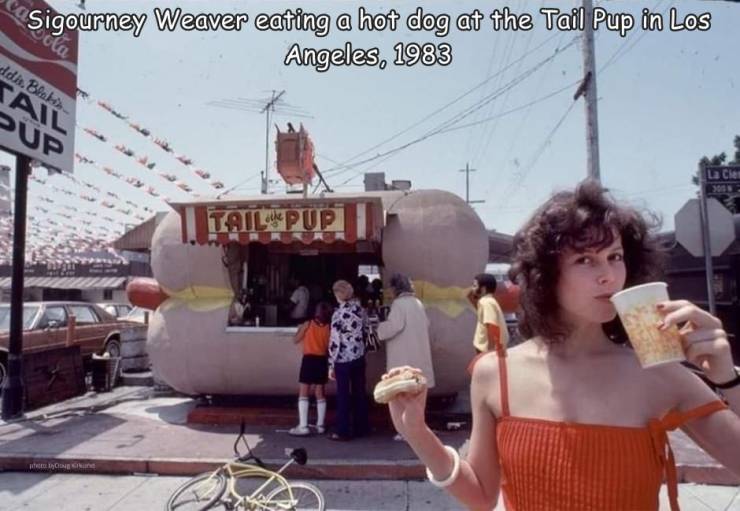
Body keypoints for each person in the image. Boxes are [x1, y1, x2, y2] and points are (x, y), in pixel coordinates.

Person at [383, 180, 740, 511]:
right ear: (546, 274)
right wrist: (416, 432)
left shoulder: (660, 374)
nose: (608, 275)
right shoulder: (495, 374)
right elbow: (481, 494)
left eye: (615, 256)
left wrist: (728, 380)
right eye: (585, 260)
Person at [377, 273, 436, 390]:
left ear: (395, 288)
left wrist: (379, 327)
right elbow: (427, 323)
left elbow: (394, 326)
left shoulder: (398, 304)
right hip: (417, 348)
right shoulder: (417, 302)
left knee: (403, 386)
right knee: (417, 384)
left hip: (404, 353)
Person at [327, 280, 369, 441]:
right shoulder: (360, 310)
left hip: (343, 359)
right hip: (359, 356)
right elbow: (366, 330)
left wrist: (331, 364)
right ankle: (361, 427)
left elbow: (335, 342)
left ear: (338, 294)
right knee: (359, 393)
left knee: (343, 396)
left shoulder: (338, 314)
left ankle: (343, 431)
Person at [289, 302, 333, 436]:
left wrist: (300, 329)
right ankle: (320, 425)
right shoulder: (329, 327)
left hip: (309, 360)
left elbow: (295, 340)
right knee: (320, 392)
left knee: (304, 391)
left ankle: (303, 426)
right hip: (322, 360)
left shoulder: (308, 324)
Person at [466, 273, 509, 355]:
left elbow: (492, 325)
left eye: (474, 286)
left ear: (483, 289)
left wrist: (496, 348)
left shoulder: (486, 302)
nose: (472, 289)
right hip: (486, 348)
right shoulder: (488, 301)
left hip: (486, 349)